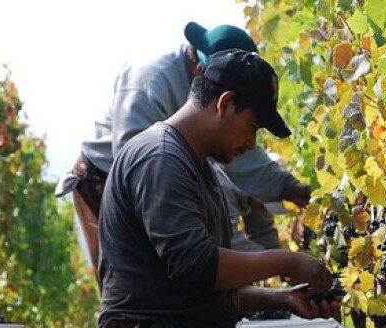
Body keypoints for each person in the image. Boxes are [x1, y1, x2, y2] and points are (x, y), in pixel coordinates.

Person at [96, 49, 334, 328]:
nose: (253, 141)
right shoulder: (160, 158)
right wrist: (284, 260)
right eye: (253, 125)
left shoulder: (198, 167)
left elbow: (206, 282)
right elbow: (196, 265)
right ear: (225, 104)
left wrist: (282, 300)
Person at [55, 21, 310, 269]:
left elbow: (239, 151)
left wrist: (289, 188)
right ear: (203, 69)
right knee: (127, 276)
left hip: (153, 180)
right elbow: (132, 160)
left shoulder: (210, 104)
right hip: (102, 177)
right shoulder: (152, 79)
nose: (251, 140)